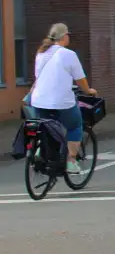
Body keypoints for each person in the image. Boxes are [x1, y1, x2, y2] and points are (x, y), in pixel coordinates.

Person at [29, 23, 96, 176]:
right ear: (64, 37)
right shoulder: (68, 54)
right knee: (75, 125)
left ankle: (40, 150)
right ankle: (71, 161)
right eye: (68, 35)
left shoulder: (40, 53)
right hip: (60, 102)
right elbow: (80, 79)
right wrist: (89, 90)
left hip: (38, 101)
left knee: (45, 127)